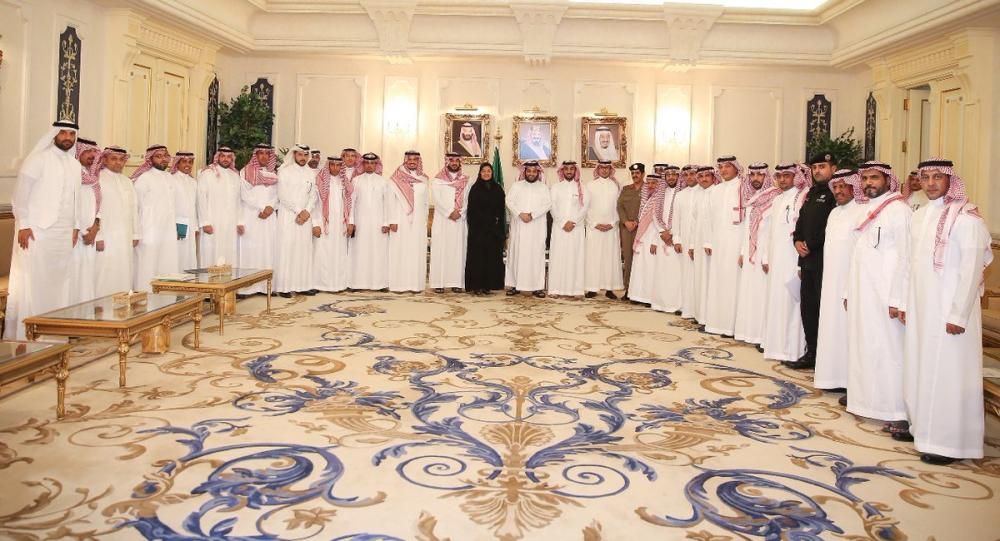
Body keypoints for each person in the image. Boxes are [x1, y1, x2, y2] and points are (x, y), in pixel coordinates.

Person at [898, 158, 992, 465]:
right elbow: (910, 264)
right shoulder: (919, 216)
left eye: (938, 177)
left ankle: (949, 443)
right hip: (922, 308)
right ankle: (921, 429)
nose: (931, 183)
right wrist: (905, 303)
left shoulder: (967, 220)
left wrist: (958, 315)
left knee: (947, 374)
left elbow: (971, 270)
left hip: (950, 313)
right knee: (920, 367)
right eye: (926, 177)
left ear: (951, 180)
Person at [844, 161, 911, 436]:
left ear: (887, 180)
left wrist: (899, 298)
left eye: (874, 178)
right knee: (866, 346)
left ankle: (897, 411)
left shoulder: (899, 210)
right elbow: (856, 255)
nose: (868, 183)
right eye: (865, 179)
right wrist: (848, 291)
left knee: (891, 350)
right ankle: (868, 403)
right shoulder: (865, 209)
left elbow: (907, 258)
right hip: (864, 292)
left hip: (886, 295)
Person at [811, 169, 865, 392]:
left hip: (849, 282)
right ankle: (831, 377)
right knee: (830, 326)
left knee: (846, 330)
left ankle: (848, 381)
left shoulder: (862, 212)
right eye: (836, 187)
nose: (839, 191)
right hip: (830, 280)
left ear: (855, 187)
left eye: (844, 186)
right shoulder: (833, 213)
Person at [787, 152, 838, 368]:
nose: (817, 171)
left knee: (822, 309)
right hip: (807, 262)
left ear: (833, 169)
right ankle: (812, 353)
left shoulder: (836, 193)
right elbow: (802, 221)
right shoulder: (811, 193)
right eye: (814, 167)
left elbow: (830, 227)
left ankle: (824, 358)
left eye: (822, 167)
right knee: (808, 309)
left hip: (823, 262)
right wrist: (797, 240)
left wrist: (811, 245)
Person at [760, 163, 810, 362]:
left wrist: (800, 264)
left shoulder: (802, 197)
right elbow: (770, 233)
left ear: (796, 177)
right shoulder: (777, 199)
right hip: (776, 260)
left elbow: (802, 232)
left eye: (787, 176)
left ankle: (792, 350)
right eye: (779, 176)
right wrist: (766, 256)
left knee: (792, 304)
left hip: (792, 261)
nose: (782, 180)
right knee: (776, 301)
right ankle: (775, 346)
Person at [703, 156, 756, 337]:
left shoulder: (744, 187)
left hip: (737, 242)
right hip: (718, 243)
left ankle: (732, 326)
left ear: (735, 168)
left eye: (727, 166)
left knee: (734, 283)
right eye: (721, 167)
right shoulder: (716, 190)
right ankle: (716, 324)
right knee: (718, 281)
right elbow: (709, 218)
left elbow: (749, 221)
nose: (724, 170)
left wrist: (744, 249)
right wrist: (708, 241)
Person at [733, 163, 775, 348]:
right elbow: (747, 230)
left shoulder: (774, 198)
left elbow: (771, 233)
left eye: (760, 175)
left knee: (761, 294)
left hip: (764, 256)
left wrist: (766, 257)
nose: (756, 178)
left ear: (766, 177)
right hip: (750, 255)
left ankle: (760, 336)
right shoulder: (749, 199)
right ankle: (748, 332)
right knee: (749, 293)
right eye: (753, 175)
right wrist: (743, 252)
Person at [92, 147, 139, 297]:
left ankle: (123, 303)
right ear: (104, 160)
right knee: (104, 272)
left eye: (121, 159)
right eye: (113, 159)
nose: (118, 163)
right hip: (106, 236)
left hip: (125, 236)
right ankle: (101, 306)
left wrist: (135, 234)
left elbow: (134, 209)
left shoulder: (127, 181)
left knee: (124, 270)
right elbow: (94, 210)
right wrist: (98, 236)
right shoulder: (97, 179)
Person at [131, 145, 179, 291]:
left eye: (166, 156)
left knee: (168, 261)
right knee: (148, 265)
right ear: (150, 159)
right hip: (149, 230)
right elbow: (136, 208)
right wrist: (136, 232)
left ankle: (167, 296)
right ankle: (145, 295)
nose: (163, 159)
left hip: (168, 230)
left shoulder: (170, 178)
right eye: (159, 156)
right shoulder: (144, 179)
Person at [274, 144, 319, 297]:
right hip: (288, 216)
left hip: (305, 217)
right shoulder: (284, 171)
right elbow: (282, 195)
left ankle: (303, 285)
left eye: (305, 155)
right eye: (300, 154)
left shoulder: (310, 172)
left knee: (303, 249)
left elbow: (313, 195)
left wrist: (307, 211)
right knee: (288, 249)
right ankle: (284, 287)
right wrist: (300, 211)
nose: (303, 158)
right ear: (294, 155)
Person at [505, 161, 551, 298]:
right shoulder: (516, 186)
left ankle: (537, 287)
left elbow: (548, 204)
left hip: (536, 228)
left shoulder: (543, 187)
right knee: (517, 255)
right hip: (519, 226)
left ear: (538, 172)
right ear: (524, 172)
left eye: (534, 171)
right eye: (529, 171)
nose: (531, 173)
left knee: (536, 256)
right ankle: (515, 285)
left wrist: (532, 215)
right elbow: (509, 201)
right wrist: (520, 213)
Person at [387, 150, 430, 293]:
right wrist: (392, 220)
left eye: (415, 159)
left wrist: (424, 220)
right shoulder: (395, 178)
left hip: (418, 221)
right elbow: (390, 201)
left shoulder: (424, 178)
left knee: (416, 252)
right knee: (400, 250)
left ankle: (415, 285)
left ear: (418, 161)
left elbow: (425, 201)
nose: (412, 162)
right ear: (405, 160)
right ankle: (398, 285)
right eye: (409, 159)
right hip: (400, 220)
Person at [238, 143, 278, 295]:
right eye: (261, 153)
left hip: (269, 217)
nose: (264, 156)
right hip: (252, 216)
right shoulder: (246, 171)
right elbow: (244, 194)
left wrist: (271, 207)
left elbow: (278, 194)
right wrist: (262, 207)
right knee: (251, 250)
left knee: (268, 249)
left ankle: (265, 287)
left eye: (267, 154)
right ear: (256, 155)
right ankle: (247, 288)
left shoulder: (273, 174)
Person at [547, 161, 590, 298]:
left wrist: (573, 222)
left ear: (575, 171)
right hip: (559, 228)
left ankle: (576, 290)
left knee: (575, 258)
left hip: (576, 229)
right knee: (558, 257)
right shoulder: (555, 187)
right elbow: (552, 206)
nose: (569, 171)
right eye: (566, 169)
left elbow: (585, 208)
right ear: (562, 171)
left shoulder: (583, 188)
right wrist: (562, 223)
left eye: (572, 169)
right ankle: (555, 289)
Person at [430, 152, 471, 293]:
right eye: (451, 160)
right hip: (443, 221)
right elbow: (437, 199)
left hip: (459, 220)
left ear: (460, 163)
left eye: (456, 160)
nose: (454, 163)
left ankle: (456, 283)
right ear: (447, 162)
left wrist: (461, 212)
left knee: (458, 252)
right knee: (441, 250)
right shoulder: (438, 180)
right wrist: (449, 212)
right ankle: (439, 283)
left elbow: (469, 200)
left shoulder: (466, 180)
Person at [349, 153, 390, 291]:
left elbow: (387, 204)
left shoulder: (383, 181)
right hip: (360, 222)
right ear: (363, 164)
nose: (369, 165)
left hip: (379, 223)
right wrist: (351, 221)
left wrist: (386, 222)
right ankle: (357, 283)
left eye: (372, 163)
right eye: (367, 163)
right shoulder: (356, 181)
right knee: (359, 251)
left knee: (378, 252)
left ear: (376, 165)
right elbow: (351, 203)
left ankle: (380, 284)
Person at [313, 156, 353, 293]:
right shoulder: (320, 180)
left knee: (339, 253)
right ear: (328, 166)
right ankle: (320, 284)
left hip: (340, 224)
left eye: (338, 165)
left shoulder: (344, 182)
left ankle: (338, 283)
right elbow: (315, 204)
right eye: (332, 165)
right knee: (323, 252)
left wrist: (349, 222)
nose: (335, 168)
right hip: (324, 222)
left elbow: (349, 203)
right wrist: (315, 223)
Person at [198, 147, 243, 268]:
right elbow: (201, 198)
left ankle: (229, 279)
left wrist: (239, 222)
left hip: (231, 222)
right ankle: (209, 279)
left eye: (229, 157)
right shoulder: (207, 173)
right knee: (211, 252)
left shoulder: (235, 175)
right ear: (218, 157)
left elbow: (238, 200)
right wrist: (205, 222)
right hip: (213, 221)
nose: (226, 159)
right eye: (223, 156)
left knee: (229, 252)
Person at [464, 162, 505, 295]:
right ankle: (476, 286)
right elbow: (472, 209)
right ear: (480, 173)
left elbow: (501, 208)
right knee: (478, 258)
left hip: (493, 231)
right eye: (484, 171)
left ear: (492, 173)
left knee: (490, 258)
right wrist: (485, 220)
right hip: (478, 230)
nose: (486, 173)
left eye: (489, 171)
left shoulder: (498, 189)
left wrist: (495, 222)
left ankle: (488, 285)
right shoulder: (475, 188)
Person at [584, 160, 623, 299]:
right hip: (594, 228)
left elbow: (619, 207)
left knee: (609, 258)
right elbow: (585, 207)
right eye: (602, 168)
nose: (605, 170)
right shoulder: (590, 185)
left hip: (611, 228)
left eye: (607, 168)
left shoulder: (616, 186)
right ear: (598, 169)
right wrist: (594, 223)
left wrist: (612, 223)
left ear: (610, 170)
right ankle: (592, 288)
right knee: (593, 258)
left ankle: (609, 288)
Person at [70, 137, 100, 303]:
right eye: (87, 151)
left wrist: (95, 227)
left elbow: (99, 206)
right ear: (78, 151)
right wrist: (78, 230)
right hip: (73, 235)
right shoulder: (71, 174)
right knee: (74, 276)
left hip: (90, 234)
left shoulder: (93, 177)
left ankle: (86, 312)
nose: (92, 155)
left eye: (94, 152)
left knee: (87, 276)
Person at [651, 165, 684, 314]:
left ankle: (675, 305)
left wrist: (671, 233)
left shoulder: (682, 193)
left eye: (674, 174)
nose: (671, 177)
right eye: (668, 175)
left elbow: (682, 217)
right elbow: (655, 214)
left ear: (678, 176)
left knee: (675, 273)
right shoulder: (660, 193)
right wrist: (662, 231)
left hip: (675, 237)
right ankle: (660, 303)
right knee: (662, 271)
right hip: (662, 236)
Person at [690, 166, 720, 324]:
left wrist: (710, 241)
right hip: (699, 243)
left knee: (709, 280)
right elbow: (694, 222)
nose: (703, 179)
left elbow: (716, 221)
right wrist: (692, 245)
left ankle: (709, 317)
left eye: (707, 176)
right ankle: (700, 315)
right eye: (700, 176)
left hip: (712, 245)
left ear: (713, 177)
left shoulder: (717, 193)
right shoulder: (698, 194)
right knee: (699, 279)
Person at [673, 165, 699, 318]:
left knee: (698, 275)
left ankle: (697, 309)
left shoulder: (705, 193)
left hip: (699, 241)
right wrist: (676, 239)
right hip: (684, 240)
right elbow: (676, 219)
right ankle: (685, 307)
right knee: (685, 274)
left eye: (692, 174)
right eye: (686, 175)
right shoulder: (680, 195)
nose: (689, 177)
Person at [617, 163, 643, 299]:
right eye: (633, 173)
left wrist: (637, 222)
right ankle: (628, 290)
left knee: (642, 260)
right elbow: (619, 206)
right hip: (627, 229)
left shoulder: (648, 189)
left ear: (643, 174)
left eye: (637, 173)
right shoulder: (626, 189)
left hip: (643, 229)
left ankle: (640, 292)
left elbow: (649, 208)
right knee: (628, 259)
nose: (635, 175)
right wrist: (626, 222)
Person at [171, 151, 200, 270]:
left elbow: (195, 205)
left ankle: (188, 280)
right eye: (184, 162)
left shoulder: (193, 182)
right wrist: (173, 226)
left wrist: (196, 227)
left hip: (191, 224)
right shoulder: (171, 180)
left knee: (189, 254)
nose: (188, 165)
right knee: (178, 253)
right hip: (178, 224)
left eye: (190, 162)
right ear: (177, 163)